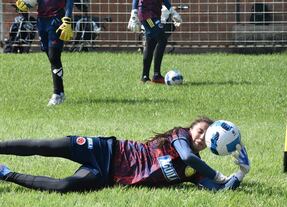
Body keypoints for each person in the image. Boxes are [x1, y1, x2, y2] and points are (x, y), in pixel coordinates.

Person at [0, 117, 250, 193]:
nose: (200, 136)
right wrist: (217, 173)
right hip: (106, 149)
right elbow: (187, 156)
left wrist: (240, 173)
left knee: (64, 187)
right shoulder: (179, 136)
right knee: (45, 147)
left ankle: (6, 173)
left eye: (205, 136)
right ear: (192, 128)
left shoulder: (195, 171)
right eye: (200, 130)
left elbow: (219, 190)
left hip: (106, 174)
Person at [15, 0, 74, 106]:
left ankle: (57, 93)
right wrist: (24, 4)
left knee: (54, 56)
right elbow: (34, 2)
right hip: (41, 21)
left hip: (57, 20)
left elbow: (70, 1)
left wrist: (67, 19)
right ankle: (60, 92)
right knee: (51, 57)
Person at [127, 0, 182, 84]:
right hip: (148, 17)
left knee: (151, 42)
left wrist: (173, 12)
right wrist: (134, 13)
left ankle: (145, 77)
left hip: (154, 16)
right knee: (162, 39)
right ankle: (156, 75)